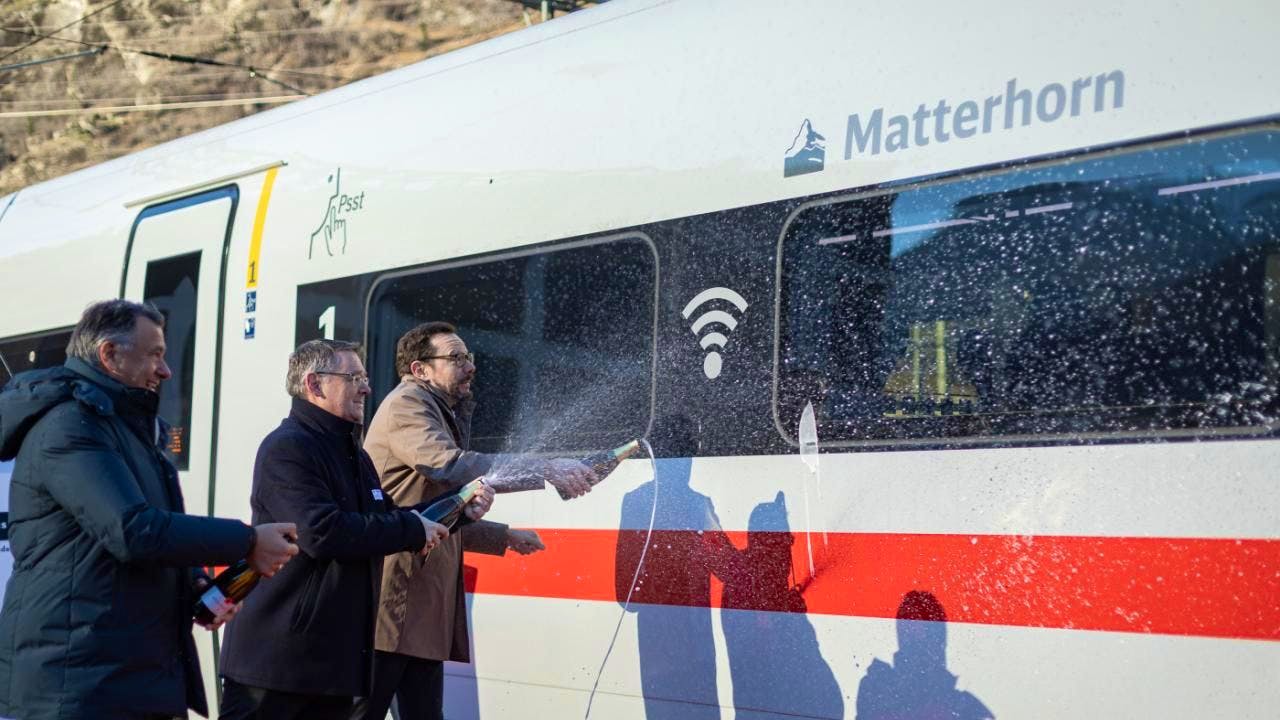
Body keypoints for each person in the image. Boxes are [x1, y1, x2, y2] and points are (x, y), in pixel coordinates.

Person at [0, 299, 300, 720]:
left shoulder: (123, 427)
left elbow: (140, 537)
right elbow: (132, 531)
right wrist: (247, 540)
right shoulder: (67, 426)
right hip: (76, 684)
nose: (165, 371)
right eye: (155, 355)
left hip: (118, 671)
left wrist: (194, 587)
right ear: (109, 354)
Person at [217, 339, 493, 720]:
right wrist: (411, 529)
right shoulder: (287, 448)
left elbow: (392, 516)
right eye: (354, 378)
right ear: (314, 384)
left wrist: (460, 509)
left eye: (364, 377)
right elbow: (321, 532)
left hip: (331, 665)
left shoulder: (354, 455)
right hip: (277, 664)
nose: (366, 387)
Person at [352, 321, 595, 720]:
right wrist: (546, 468)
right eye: (456, 357)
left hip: (418, 606)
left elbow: (437, 510)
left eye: (469, 356)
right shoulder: (407, 405)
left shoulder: (440, 409)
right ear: (420, 369)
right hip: (396, 600)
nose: (469, 366)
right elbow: (449, 467)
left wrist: (503, 537)